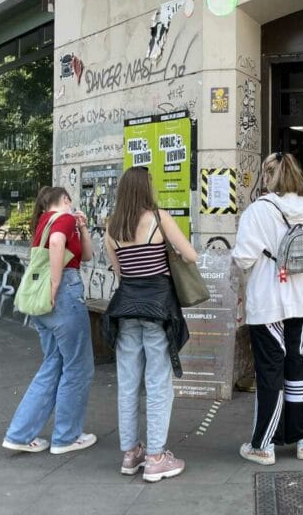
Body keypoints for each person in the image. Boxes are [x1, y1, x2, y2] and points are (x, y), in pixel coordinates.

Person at [103, 167, 194, 482]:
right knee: (157, 383)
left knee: (128, 383)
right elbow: (191, 255)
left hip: (125, 310)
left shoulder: (112, 227)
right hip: (158, 311)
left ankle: (131, 453)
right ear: (146, 188)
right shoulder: (159, 218)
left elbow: (120, 272)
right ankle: (156, 458)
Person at [233, 152, 303, 465]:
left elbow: (244, 257)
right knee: (298, 365)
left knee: (270, 370)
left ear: (269, 177)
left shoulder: (258, 210)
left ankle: (264, 444)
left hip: (268, 300)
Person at [3, 186, 97, 454]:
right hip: (64, 296)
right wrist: (56, 284)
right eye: (70, 201)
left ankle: (19, 434)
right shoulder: (63, 218)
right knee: (78, 367)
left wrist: (83, 228)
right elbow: (57, 243)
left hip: (41, 304)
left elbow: (86, 255)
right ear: (65, 199)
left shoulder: (43, 222)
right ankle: (67, 437)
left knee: (53, 364)